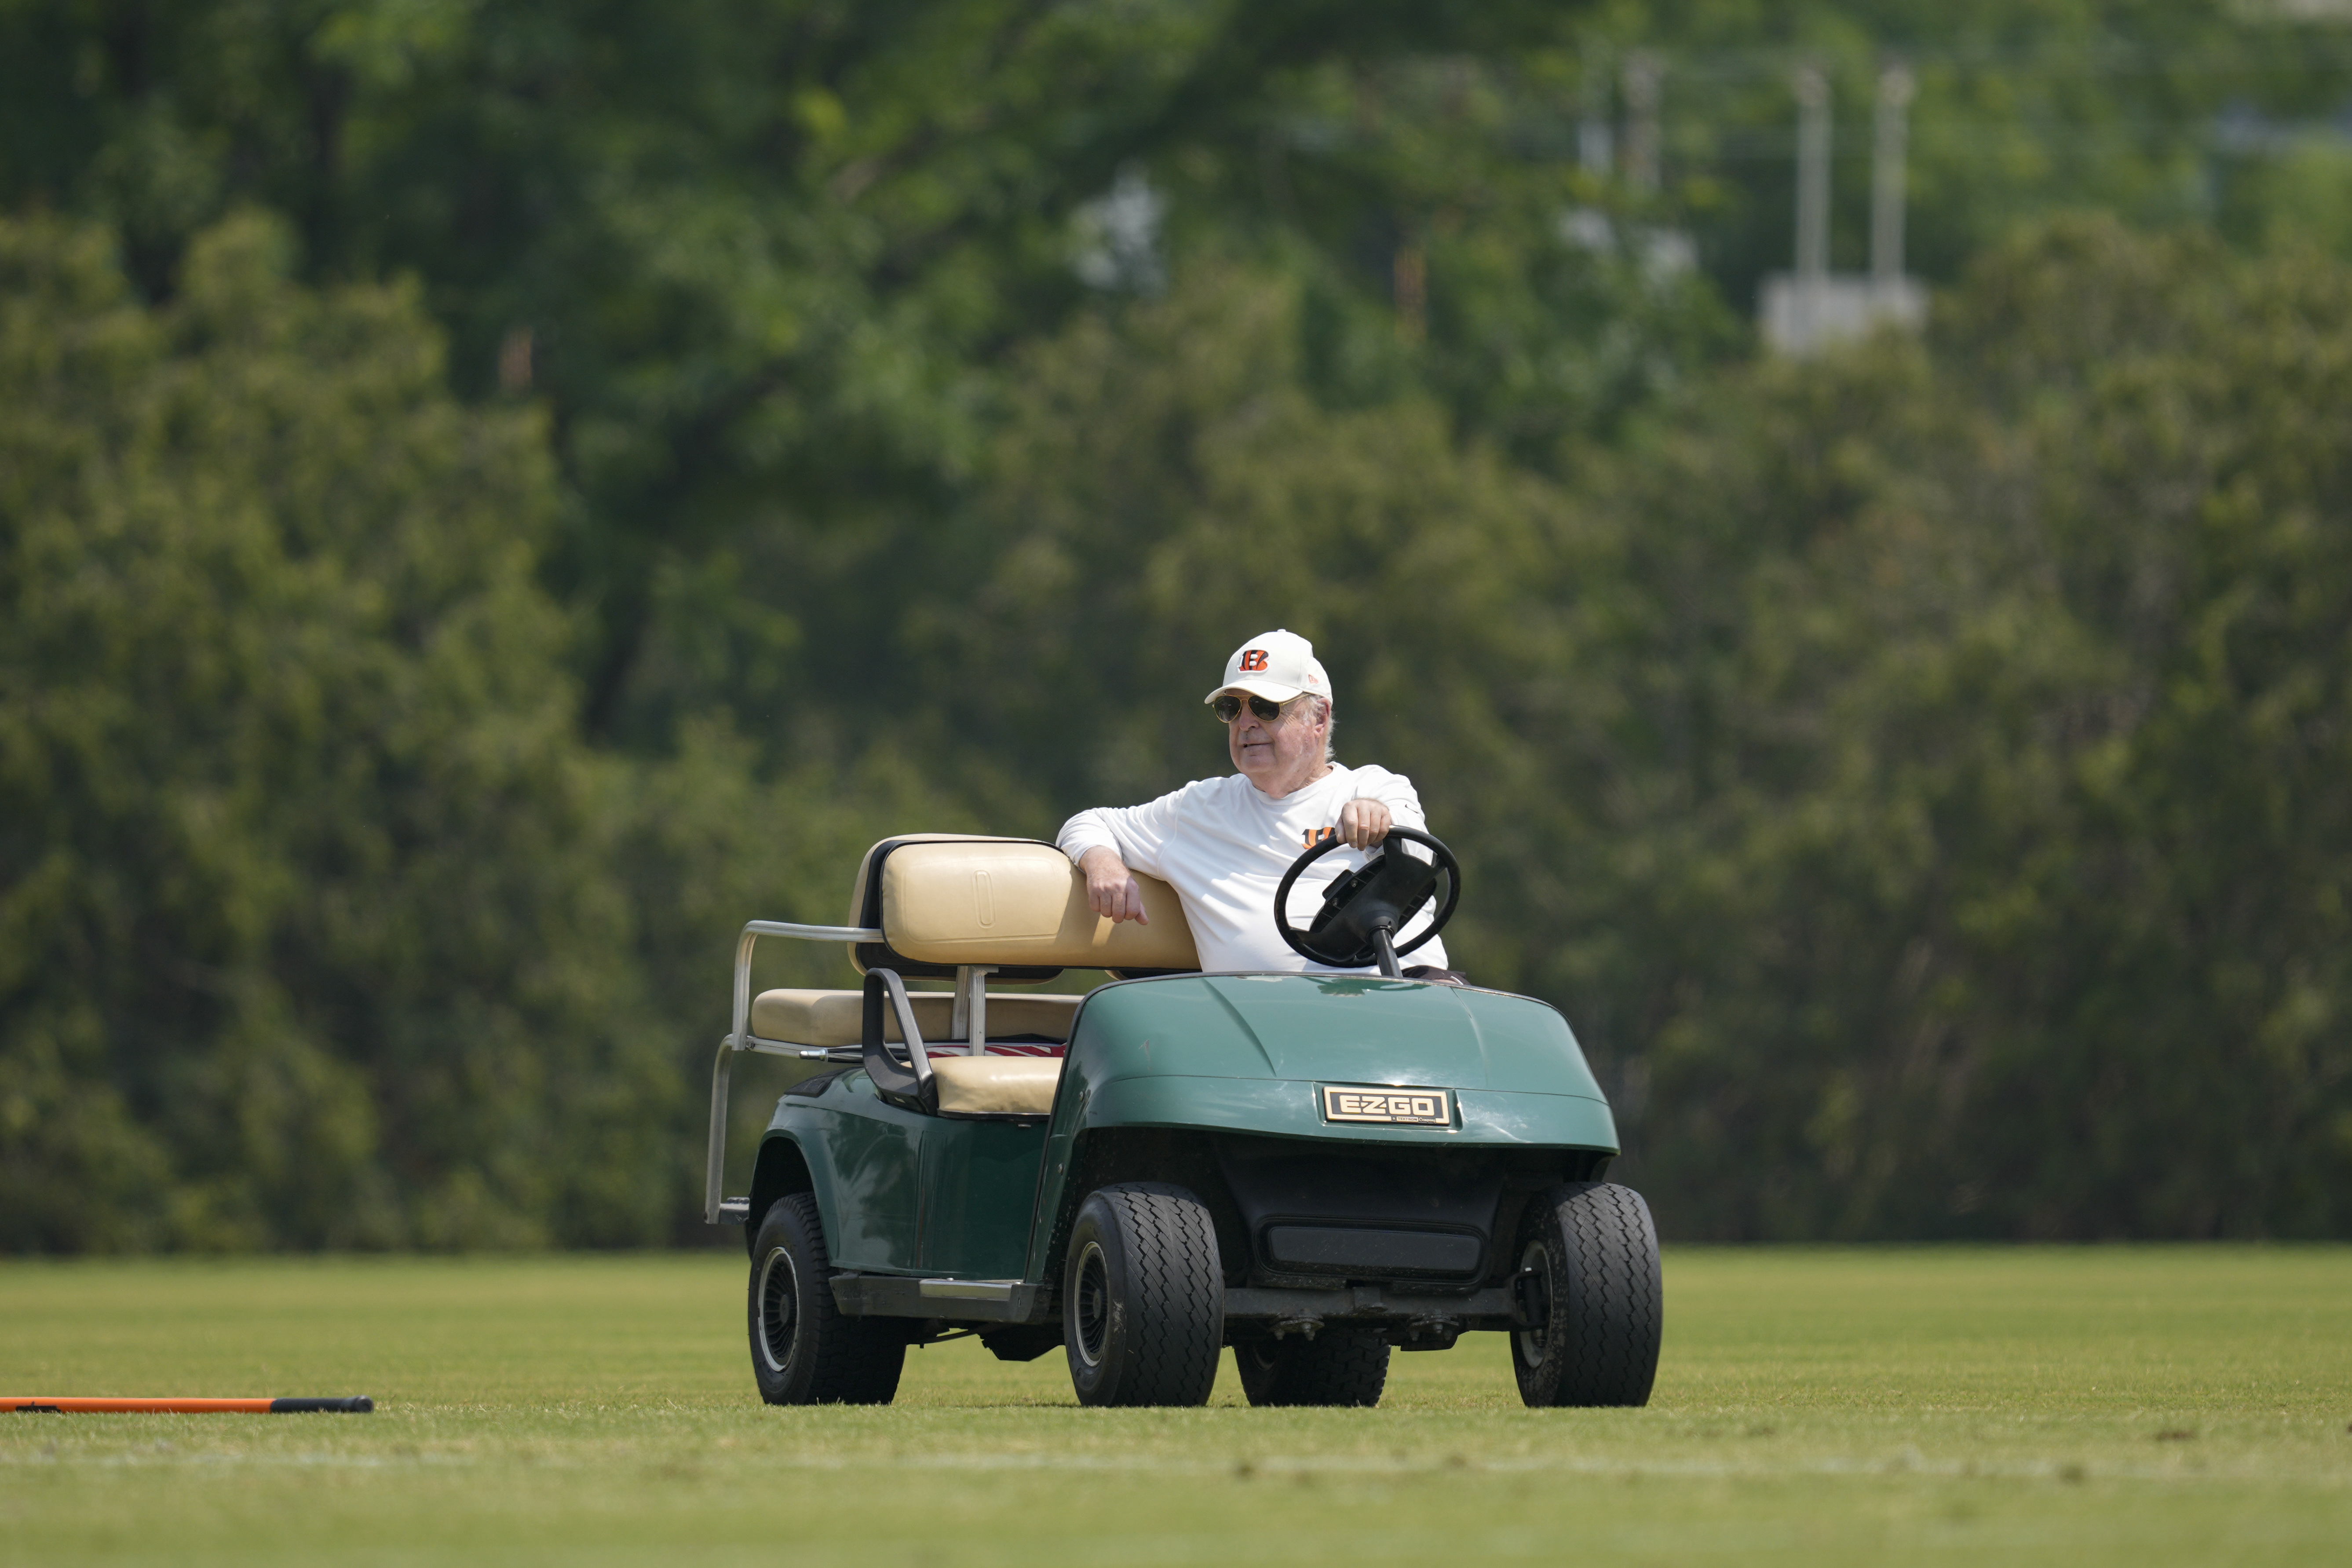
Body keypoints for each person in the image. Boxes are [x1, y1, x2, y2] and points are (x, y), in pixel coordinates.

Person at [1056, 630, 1459, 979]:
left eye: (1267, 709)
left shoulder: (1373, 787)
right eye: (1232, 709)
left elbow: (1421, 860)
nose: (1246, 724)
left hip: (1405, 995)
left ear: (1319, 717)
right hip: (1265, 1030)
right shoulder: (1200, 809)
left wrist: (1379, 821)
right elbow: (1088, 824)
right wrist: (1104, 863)